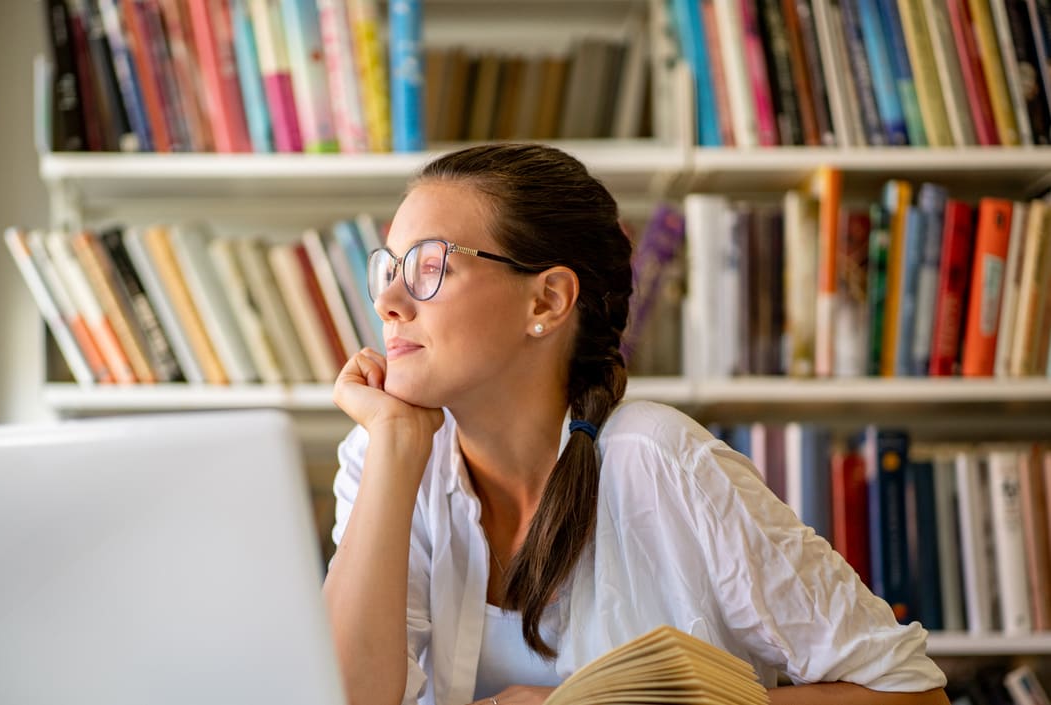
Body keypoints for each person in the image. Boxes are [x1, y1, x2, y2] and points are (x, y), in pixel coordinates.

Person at [322, 143, 949, 705]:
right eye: (391, 267)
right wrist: (396, 447)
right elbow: (347, 697)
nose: (388, 302)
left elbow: (910, 696)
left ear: (546, 300)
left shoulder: (660, 458)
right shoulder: (384, 456)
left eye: (430, 266)